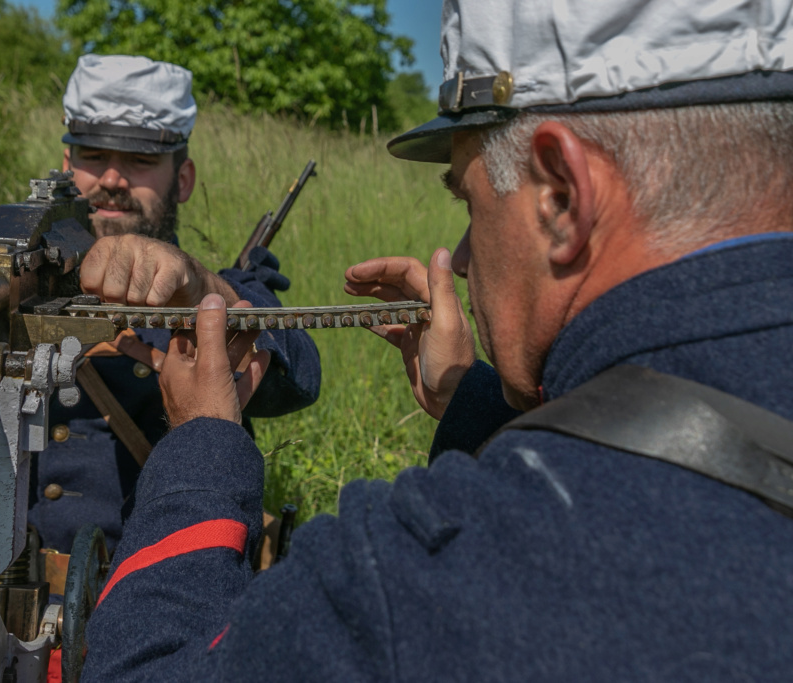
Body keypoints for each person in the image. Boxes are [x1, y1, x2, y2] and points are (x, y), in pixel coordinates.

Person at [81, 1, 793, 680]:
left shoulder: (424, 584)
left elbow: (149, 667)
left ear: (562, 195)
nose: (466, 254)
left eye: (469, 200)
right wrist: (468, 396)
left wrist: (202, 442)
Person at [0, 55, 320, 682]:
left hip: (165, 610)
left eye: (139, 161)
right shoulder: (13, 292)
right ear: (64, 166)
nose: (110, 178)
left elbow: (297, 369)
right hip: (7, 617)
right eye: (91, 154)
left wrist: (197, 291)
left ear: (181, 178)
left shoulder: (213, 289)